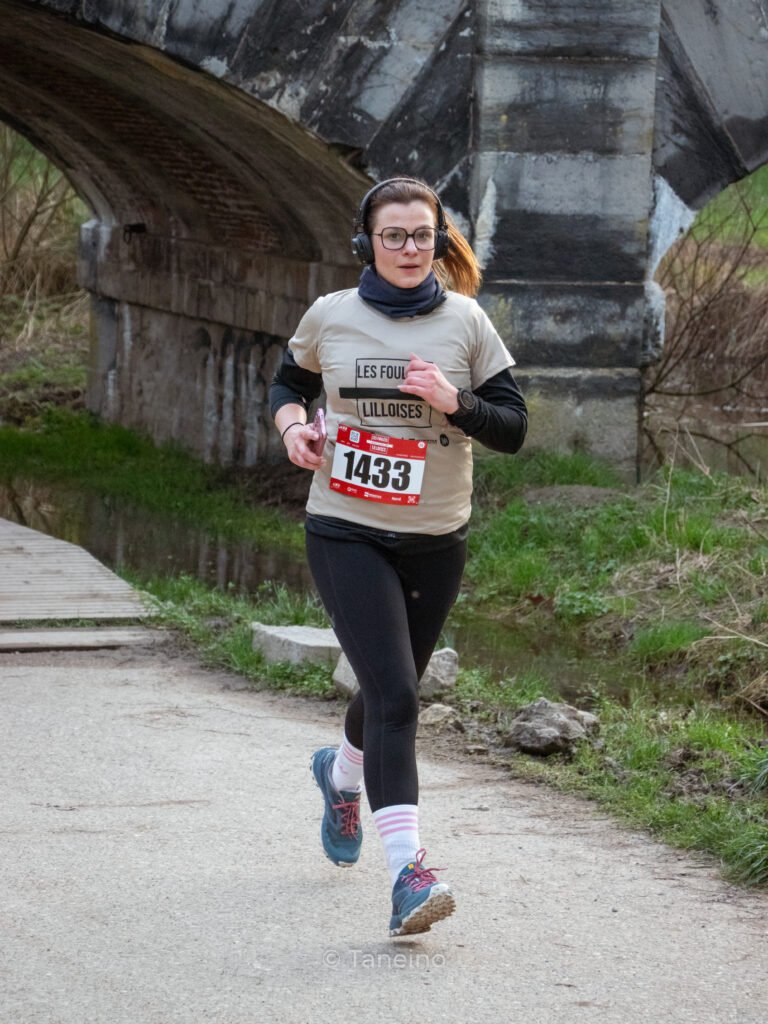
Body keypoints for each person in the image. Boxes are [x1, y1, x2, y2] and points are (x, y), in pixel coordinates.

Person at [269, 176, 527, 937]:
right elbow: (288, 384)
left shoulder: (467, 323)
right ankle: (409, 873)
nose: (409, 249)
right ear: (367, 242)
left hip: (436, 538)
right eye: (394, 236)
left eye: (421, 235)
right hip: (345, 528)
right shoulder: (331, 315)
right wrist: (293, 429)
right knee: (398, 700)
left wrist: (455, 401)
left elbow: (513, 427)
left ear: (438, 241)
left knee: (392, 689)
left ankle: (340, 774)